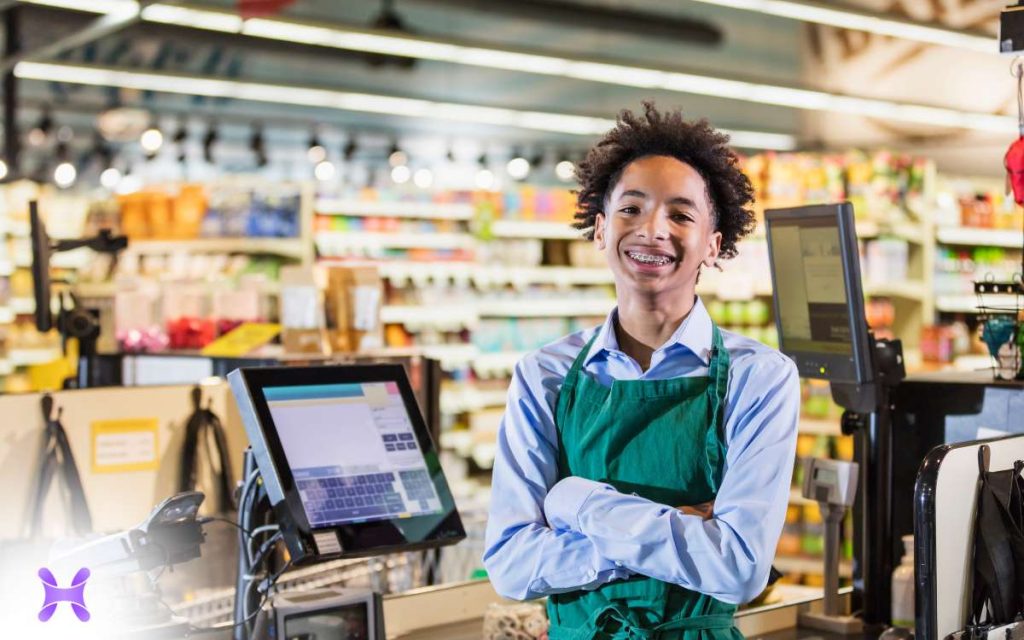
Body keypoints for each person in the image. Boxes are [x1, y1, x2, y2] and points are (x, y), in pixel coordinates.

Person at [482, 102, 800, 640]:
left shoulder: (759, 379)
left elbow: (739, 569)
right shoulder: (545, 376)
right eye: (632, 209)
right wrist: (682, 533)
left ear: (713, 245)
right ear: (601, 229)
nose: (652, 230)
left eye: (681, 214)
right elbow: (511, 565)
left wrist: (575, 502)